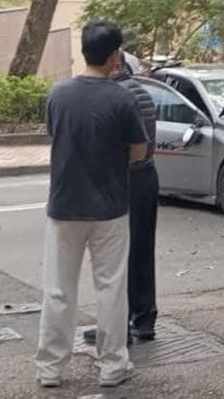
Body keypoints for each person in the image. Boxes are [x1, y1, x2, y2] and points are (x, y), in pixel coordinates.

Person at [35, 22, 148, 389]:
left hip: (64, 204)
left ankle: (50, 368)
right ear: (115, 55)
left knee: (57, 289)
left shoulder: (58, 94)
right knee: (111, 288)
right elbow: (138, 152)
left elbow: (56, 134)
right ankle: (113, 365)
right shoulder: (122, 98)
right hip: (110, 207)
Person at [83, 51, 159, 344]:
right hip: (146, 177)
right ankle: (145, 318)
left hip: (121, 179)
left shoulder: (114, 96)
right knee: (142, 250)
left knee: (115, 255)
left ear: (114, 67)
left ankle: (118, 326)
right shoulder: (142, 92)